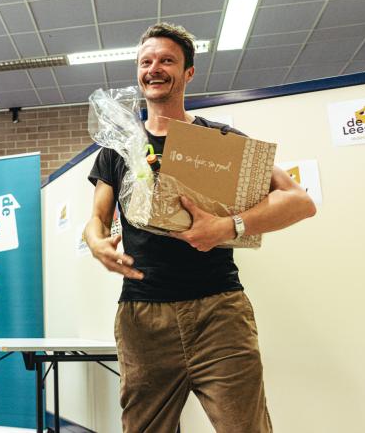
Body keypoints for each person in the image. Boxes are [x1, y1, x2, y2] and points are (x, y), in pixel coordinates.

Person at [85, 23, 316, 432]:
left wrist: (230, 225)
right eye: (146, 61)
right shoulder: (119, 146)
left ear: (188, 73)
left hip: (219, 312)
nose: (154, 69)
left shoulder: (218, 141)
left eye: (167, 60)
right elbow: (97, 219)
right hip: (142, 316)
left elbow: (299, 201)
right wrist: (97, 244)